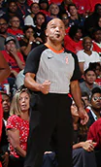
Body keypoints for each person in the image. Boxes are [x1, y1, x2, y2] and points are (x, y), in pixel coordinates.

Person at [23, 19, 89, 167]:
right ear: (46, 32)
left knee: (65, 151)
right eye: (53, 27)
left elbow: (74, 85)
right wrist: (39, 87)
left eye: (61, 27)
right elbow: (27, 79)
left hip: (63, 104)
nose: (57, 30)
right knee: (36, 150)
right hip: (43, 102)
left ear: (65, 32)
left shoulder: (71, 56)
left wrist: (80, 107)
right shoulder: (38, 52)